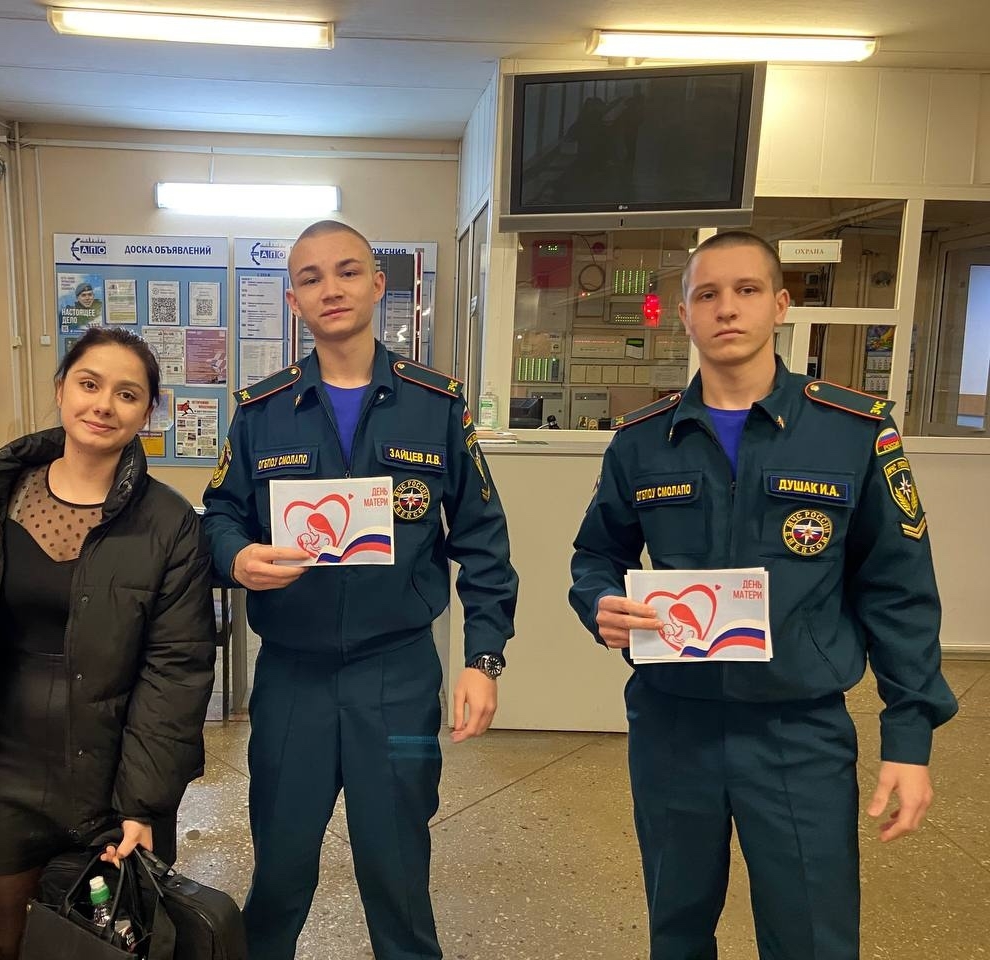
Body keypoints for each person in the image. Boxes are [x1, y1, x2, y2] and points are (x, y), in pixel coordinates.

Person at [569, 231, 958, 960]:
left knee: (813, 936)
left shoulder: (852, 433)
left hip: (797, 731)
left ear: (779, 305)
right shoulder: (641, 441)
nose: (727, 309)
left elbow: (899, 592)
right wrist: (599, 603)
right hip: (672, 726)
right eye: (707, 294)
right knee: (677, 930)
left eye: (746, 290)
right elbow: (596, 555)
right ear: (683, 315)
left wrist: (909, 740)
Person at [201, 219, 518, 960]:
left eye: (347, 271)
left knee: (397, 870)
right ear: (293, 301)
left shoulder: (435, 406)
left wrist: (484, 658)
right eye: (310, 278)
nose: (331, 289)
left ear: (378, 285)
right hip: (293, 678)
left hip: (396, 675)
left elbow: (484, 541)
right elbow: (219, 513)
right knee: (279, 871)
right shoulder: (261, 411)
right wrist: (237, 557)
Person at [0, 327, 216, 960]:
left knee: (103, 946)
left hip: (111, 772)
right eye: (89, 384)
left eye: (127, 394)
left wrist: (143, 803)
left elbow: (176, 673)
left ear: (147, 413)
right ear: (61, 389)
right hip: (4, 765)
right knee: (10, 945)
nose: (104, 405)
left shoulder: (169, 523)